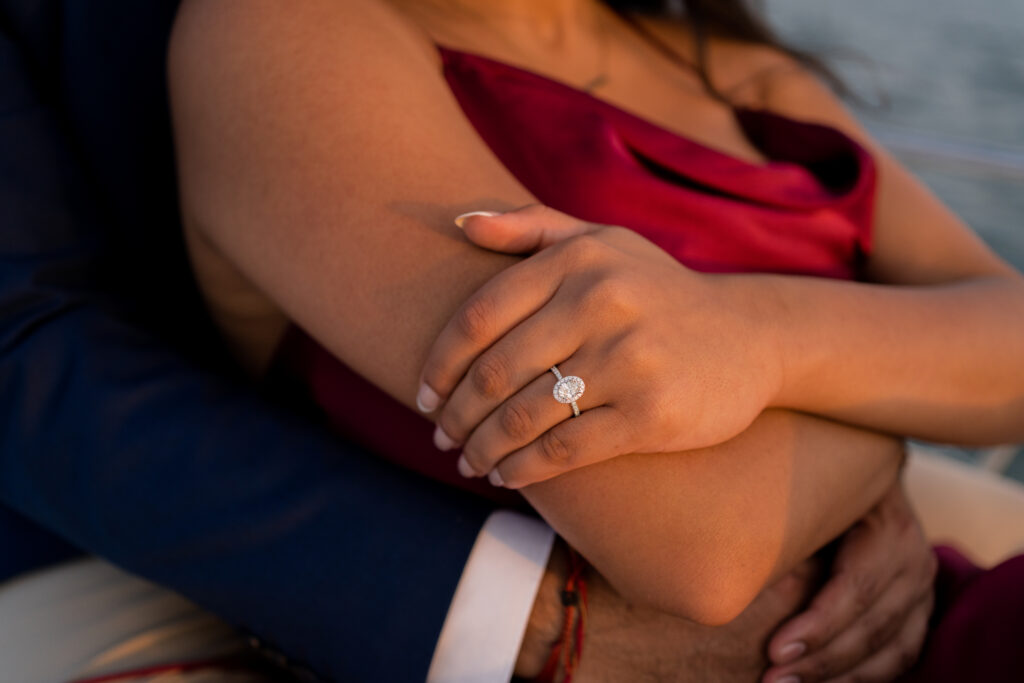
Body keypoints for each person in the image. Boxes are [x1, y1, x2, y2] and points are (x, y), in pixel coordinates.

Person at [0, 2, 935, 682]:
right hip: (113, 531)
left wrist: (814, 399)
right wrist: (523, 613)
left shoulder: (713, 56)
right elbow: (25, 346)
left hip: (706, 502)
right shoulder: (288, 35)